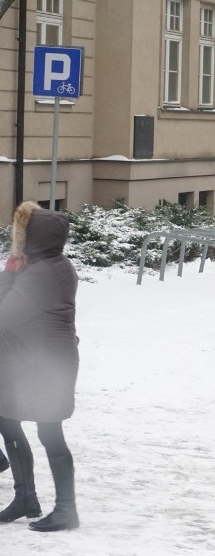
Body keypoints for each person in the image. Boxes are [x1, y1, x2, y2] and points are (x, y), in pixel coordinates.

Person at [0, 201, 80, 532]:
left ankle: (65, 510)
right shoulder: (57, 265)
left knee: (49, 433)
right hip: (37, 361)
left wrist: (8, 274)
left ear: (31, 239)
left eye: (20, 235)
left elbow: (3, 317)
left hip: (42, 366)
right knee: (7, 420)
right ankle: (26, 498)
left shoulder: (39, 276)